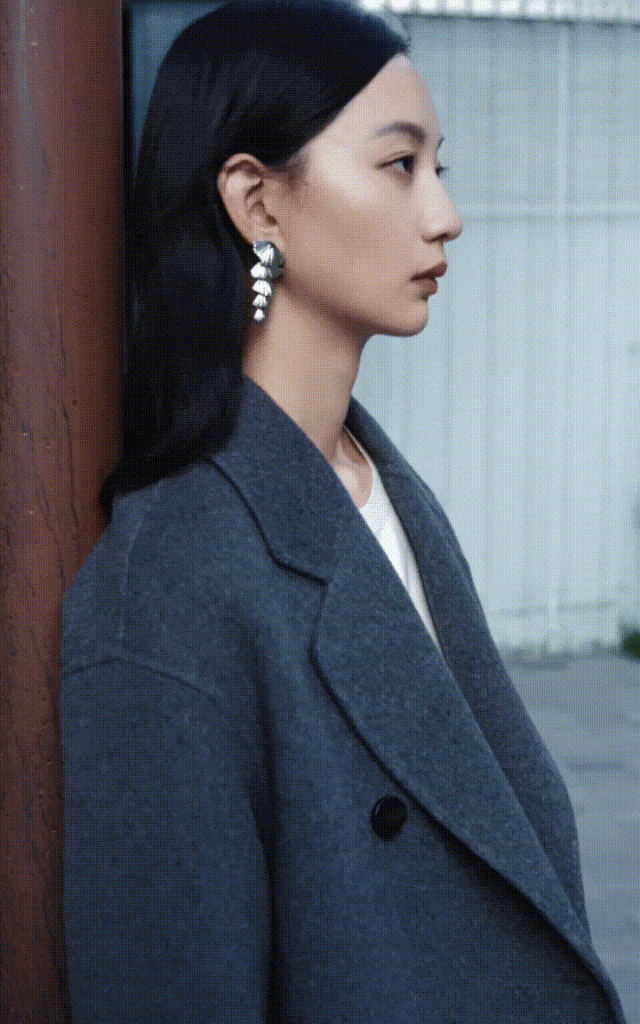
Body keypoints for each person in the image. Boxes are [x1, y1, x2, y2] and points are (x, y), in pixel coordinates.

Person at [59, 2, 627, 1022]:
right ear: (257, 202)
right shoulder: (168, 582)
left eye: (439, 167)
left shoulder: (382, 487)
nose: (445, 214)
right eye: (399, 165)